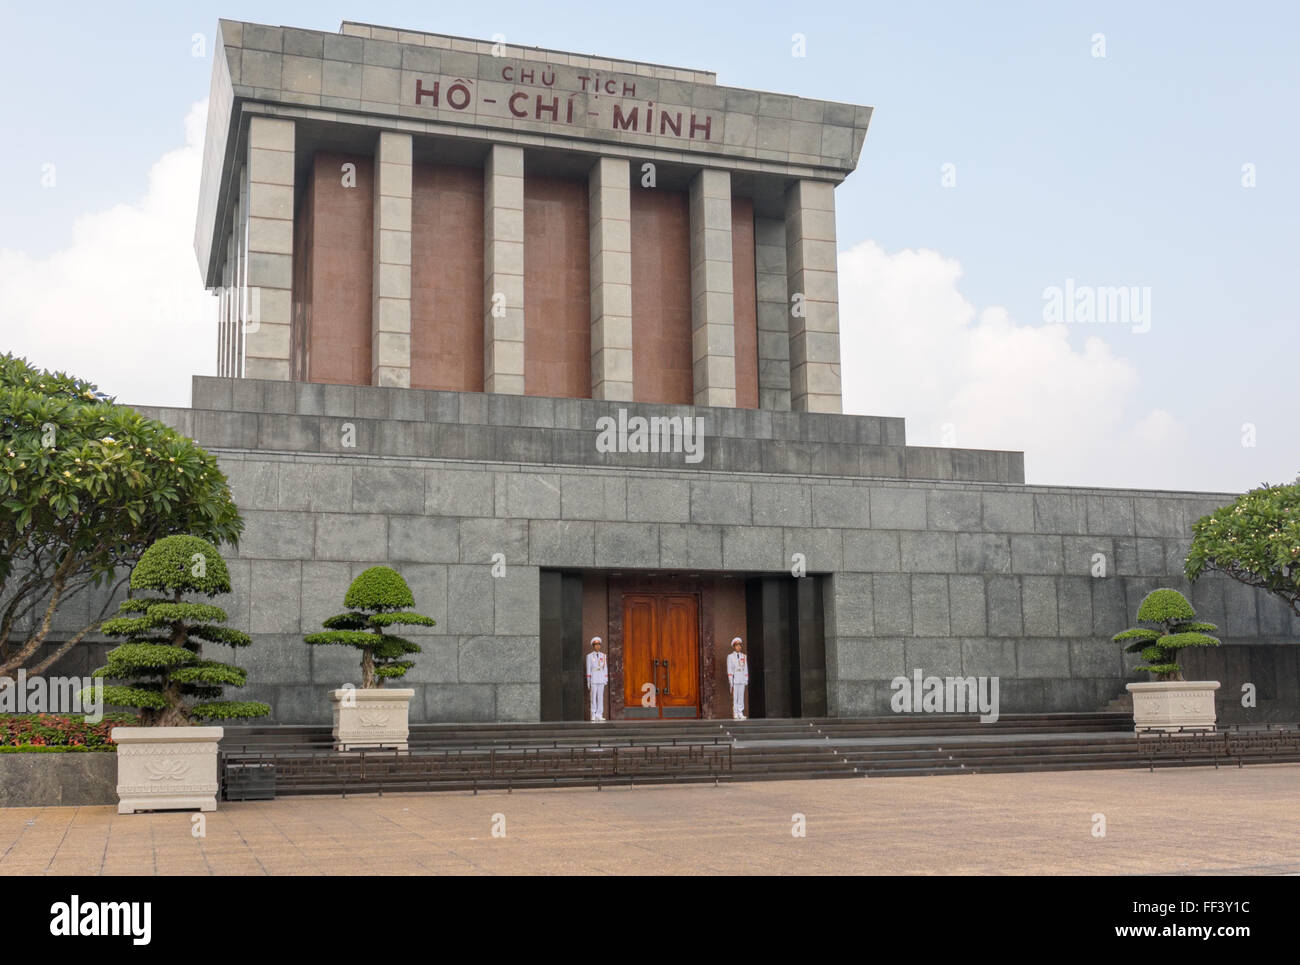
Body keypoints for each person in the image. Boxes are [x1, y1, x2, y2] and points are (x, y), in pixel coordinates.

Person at [585, 636, 608, 722]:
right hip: (594, 678)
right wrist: (588, 680)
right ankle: (593, 714)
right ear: (593, 646)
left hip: (601, 678)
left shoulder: (604, 656)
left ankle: (599, 714)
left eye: (599, 644)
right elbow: (588, 668)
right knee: (593, 697)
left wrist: (606, 678)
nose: (597, 646)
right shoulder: (590, 656)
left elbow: (605, 668)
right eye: (595, 645)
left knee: (600, 697)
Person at [726, 636, 748, 720]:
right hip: (735, 679)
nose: (739, 647)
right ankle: (735, 712)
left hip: (741, 678)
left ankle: (740, 712)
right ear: (734, 647)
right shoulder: (730, 657)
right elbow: (730, 669)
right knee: (735, 697)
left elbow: (745, 668)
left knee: (741, 696)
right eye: (737, 645)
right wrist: (730, 680)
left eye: (740, 645)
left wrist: (746, 679)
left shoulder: (744, 656)